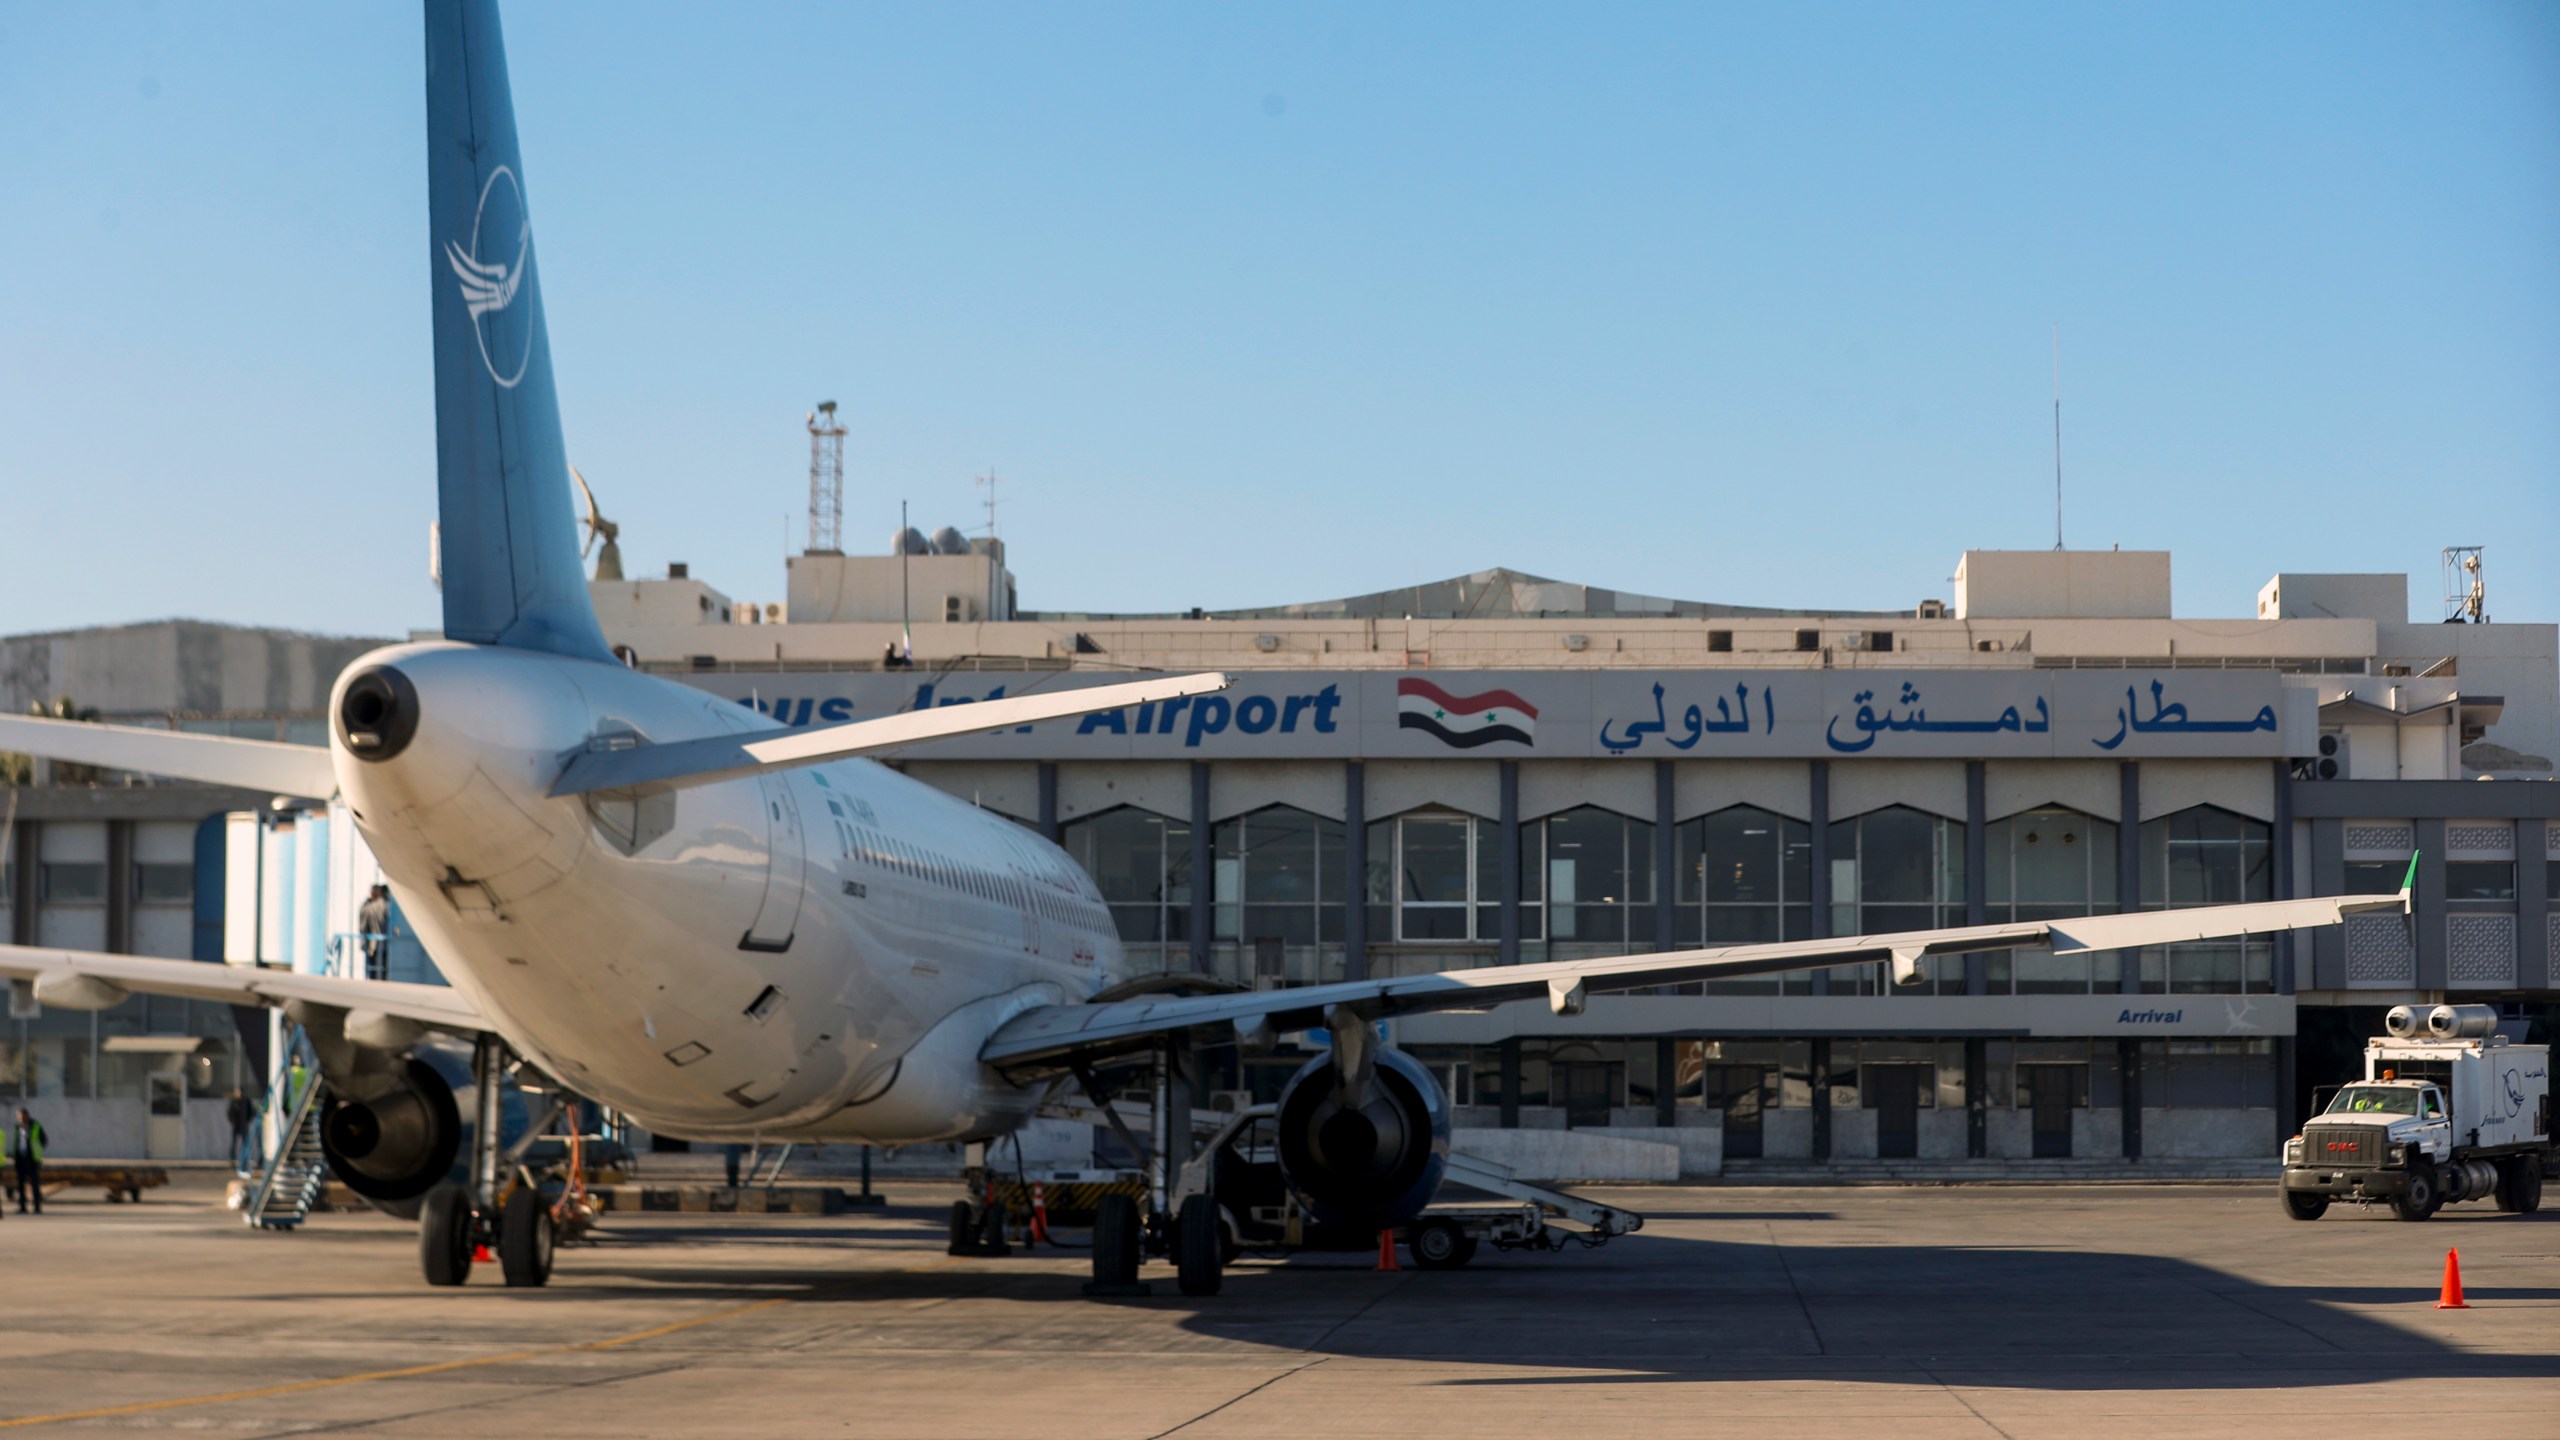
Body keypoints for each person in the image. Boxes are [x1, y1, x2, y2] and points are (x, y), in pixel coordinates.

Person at [10, 1108, 44, 1215]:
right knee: (21, 1184)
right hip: (21, 1159)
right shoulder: (17, 1127)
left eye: (22, 1115)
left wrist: (37, 1150)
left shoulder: (35, 1126)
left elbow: (43, 1140)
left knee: (34, 1184)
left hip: (32, 1159)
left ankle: (37, 1207)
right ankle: (22, 1207)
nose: (21, 1118)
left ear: (27, 1115)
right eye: (19, 1116)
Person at [357, 884, 391, 981]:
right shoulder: (384, 905)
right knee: (383, 964)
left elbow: (363, 925)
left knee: (373, 964)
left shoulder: (367, 906)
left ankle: (373, 980)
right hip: (382, 940)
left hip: (371, 940)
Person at [226, 1088, 255, 1175]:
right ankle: (232, 1160)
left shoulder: (246, 1101)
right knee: (233, 1143)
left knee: (245, 1144)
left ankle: (244, 1160)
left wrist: (247, 1121)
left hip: (243, 1126)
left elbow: (251, 1112)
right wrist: (233, 1121)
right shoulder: (234, 1102)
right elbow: (230, 1112)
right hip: (236, 1125)